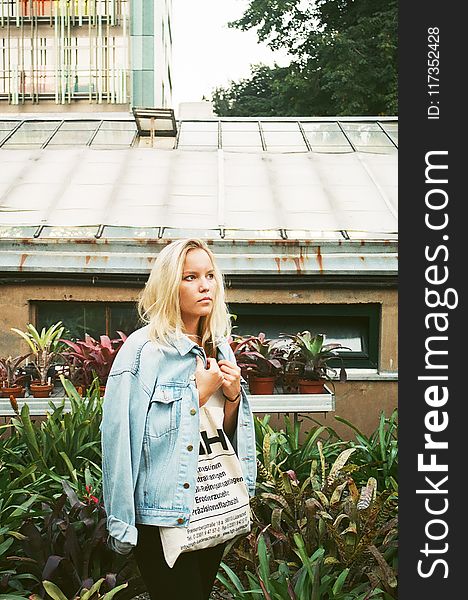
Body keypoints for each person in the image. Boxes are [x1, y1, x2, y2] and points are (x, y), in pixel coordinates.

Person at [100, 239, 257, 600]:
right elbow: (120, 439)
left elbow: (223, 433)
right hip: (163, 515)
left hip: (211, 502)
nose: (205, 286)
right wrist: (195, 395)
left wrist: (232, 397)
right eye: (191, 277)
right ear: (170, 285)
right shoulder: (143, 351)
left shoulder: (220, 346)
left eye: (210, 275)